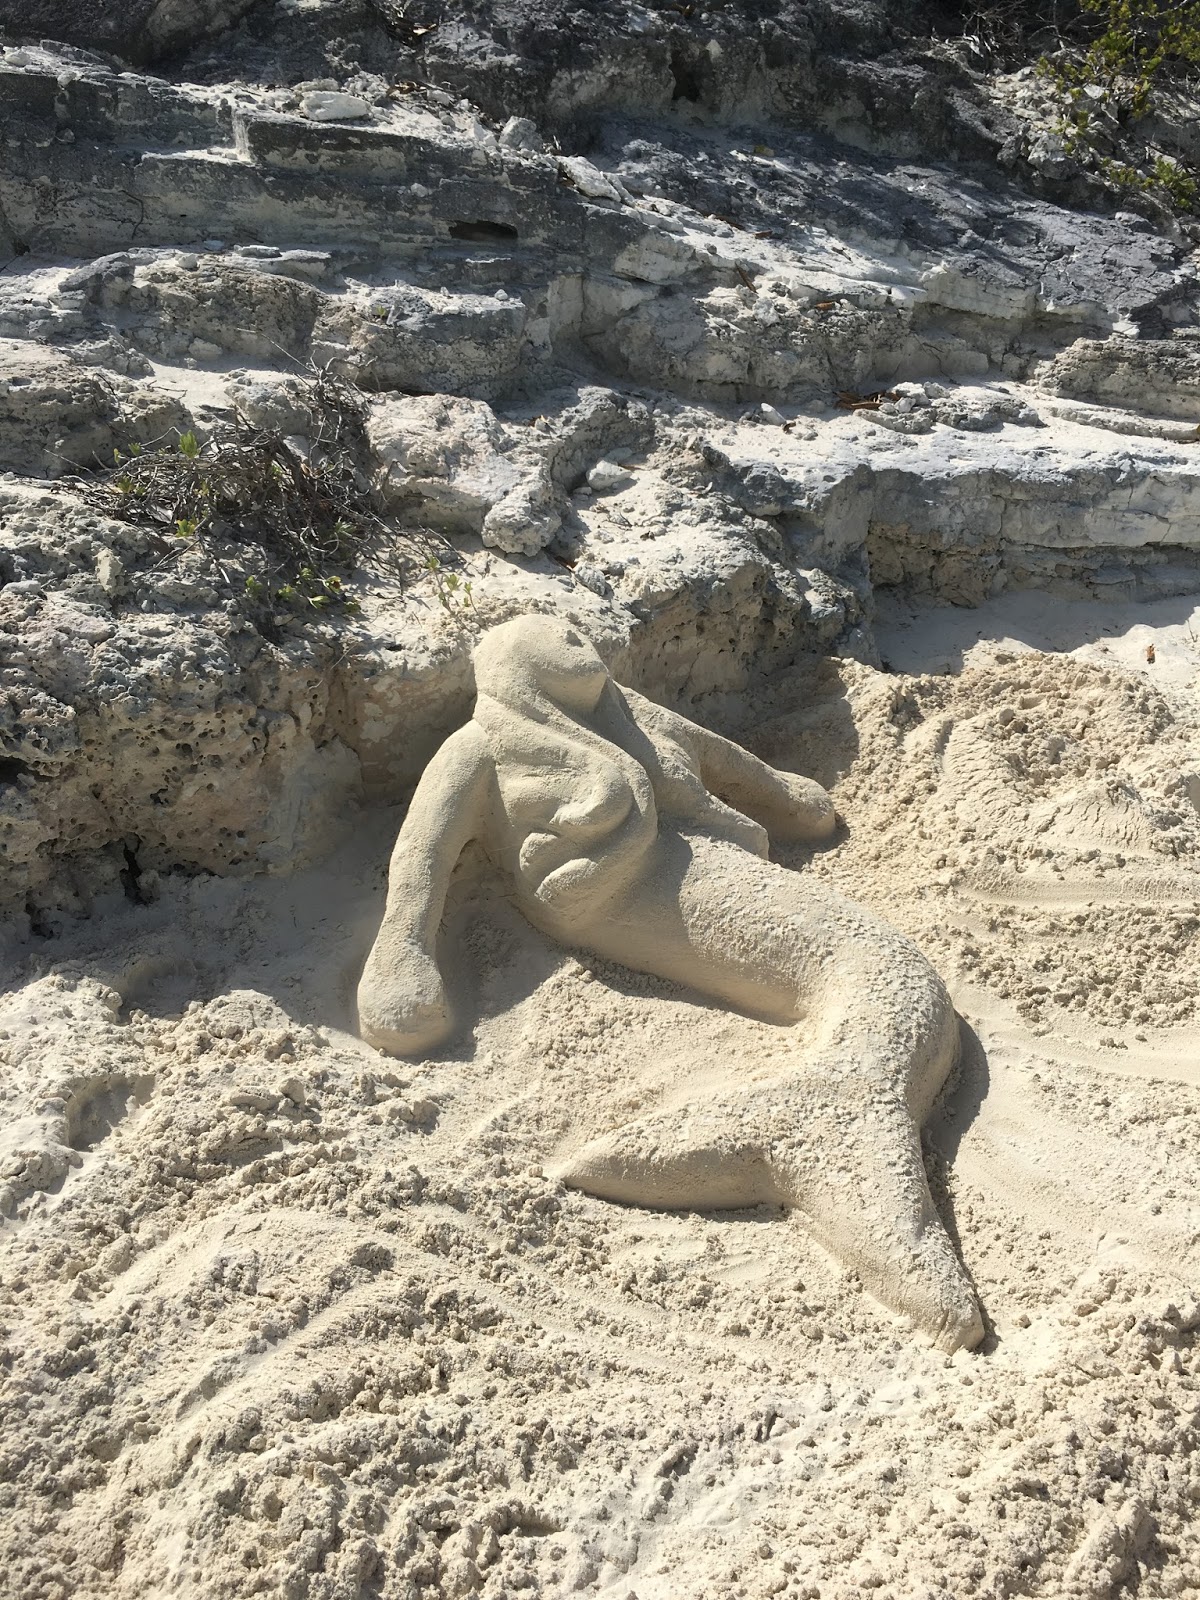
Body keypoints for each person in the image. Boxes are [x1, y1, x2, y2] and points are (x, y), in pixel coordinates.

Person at [358, 615, 983, 1351]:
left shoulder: (625, 711)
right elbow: (420, 858)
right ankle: (834, 1134)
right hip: (625, 894)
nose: (572, 637)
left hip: (701, 862)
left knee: (884, 970)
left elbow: (722, 759)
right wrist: (402, 952)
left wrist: (782, 796)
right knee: (873, 966)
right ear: (509, 668)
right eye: (547, 633)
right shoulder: (479, 750)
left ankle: (840, 1103)